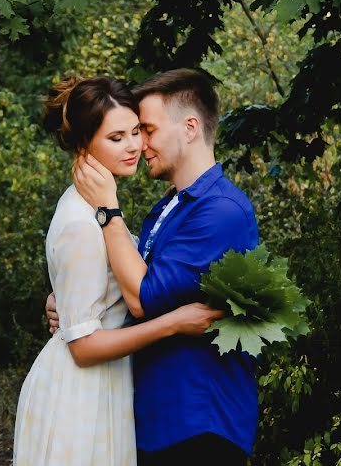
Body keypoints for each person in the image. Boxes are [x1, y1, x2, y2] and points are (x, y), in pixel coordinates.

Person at [49, 68, 260, 465]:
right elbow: (127, 280)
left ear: (190, 127)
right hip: (160, 418)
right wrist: (72, 298)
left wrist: (108, 211)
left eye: (146, 129)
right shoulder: (169, 206)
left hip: (198, 420)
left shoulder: (220, 211)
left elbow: (144, 299)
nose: (139, 143)